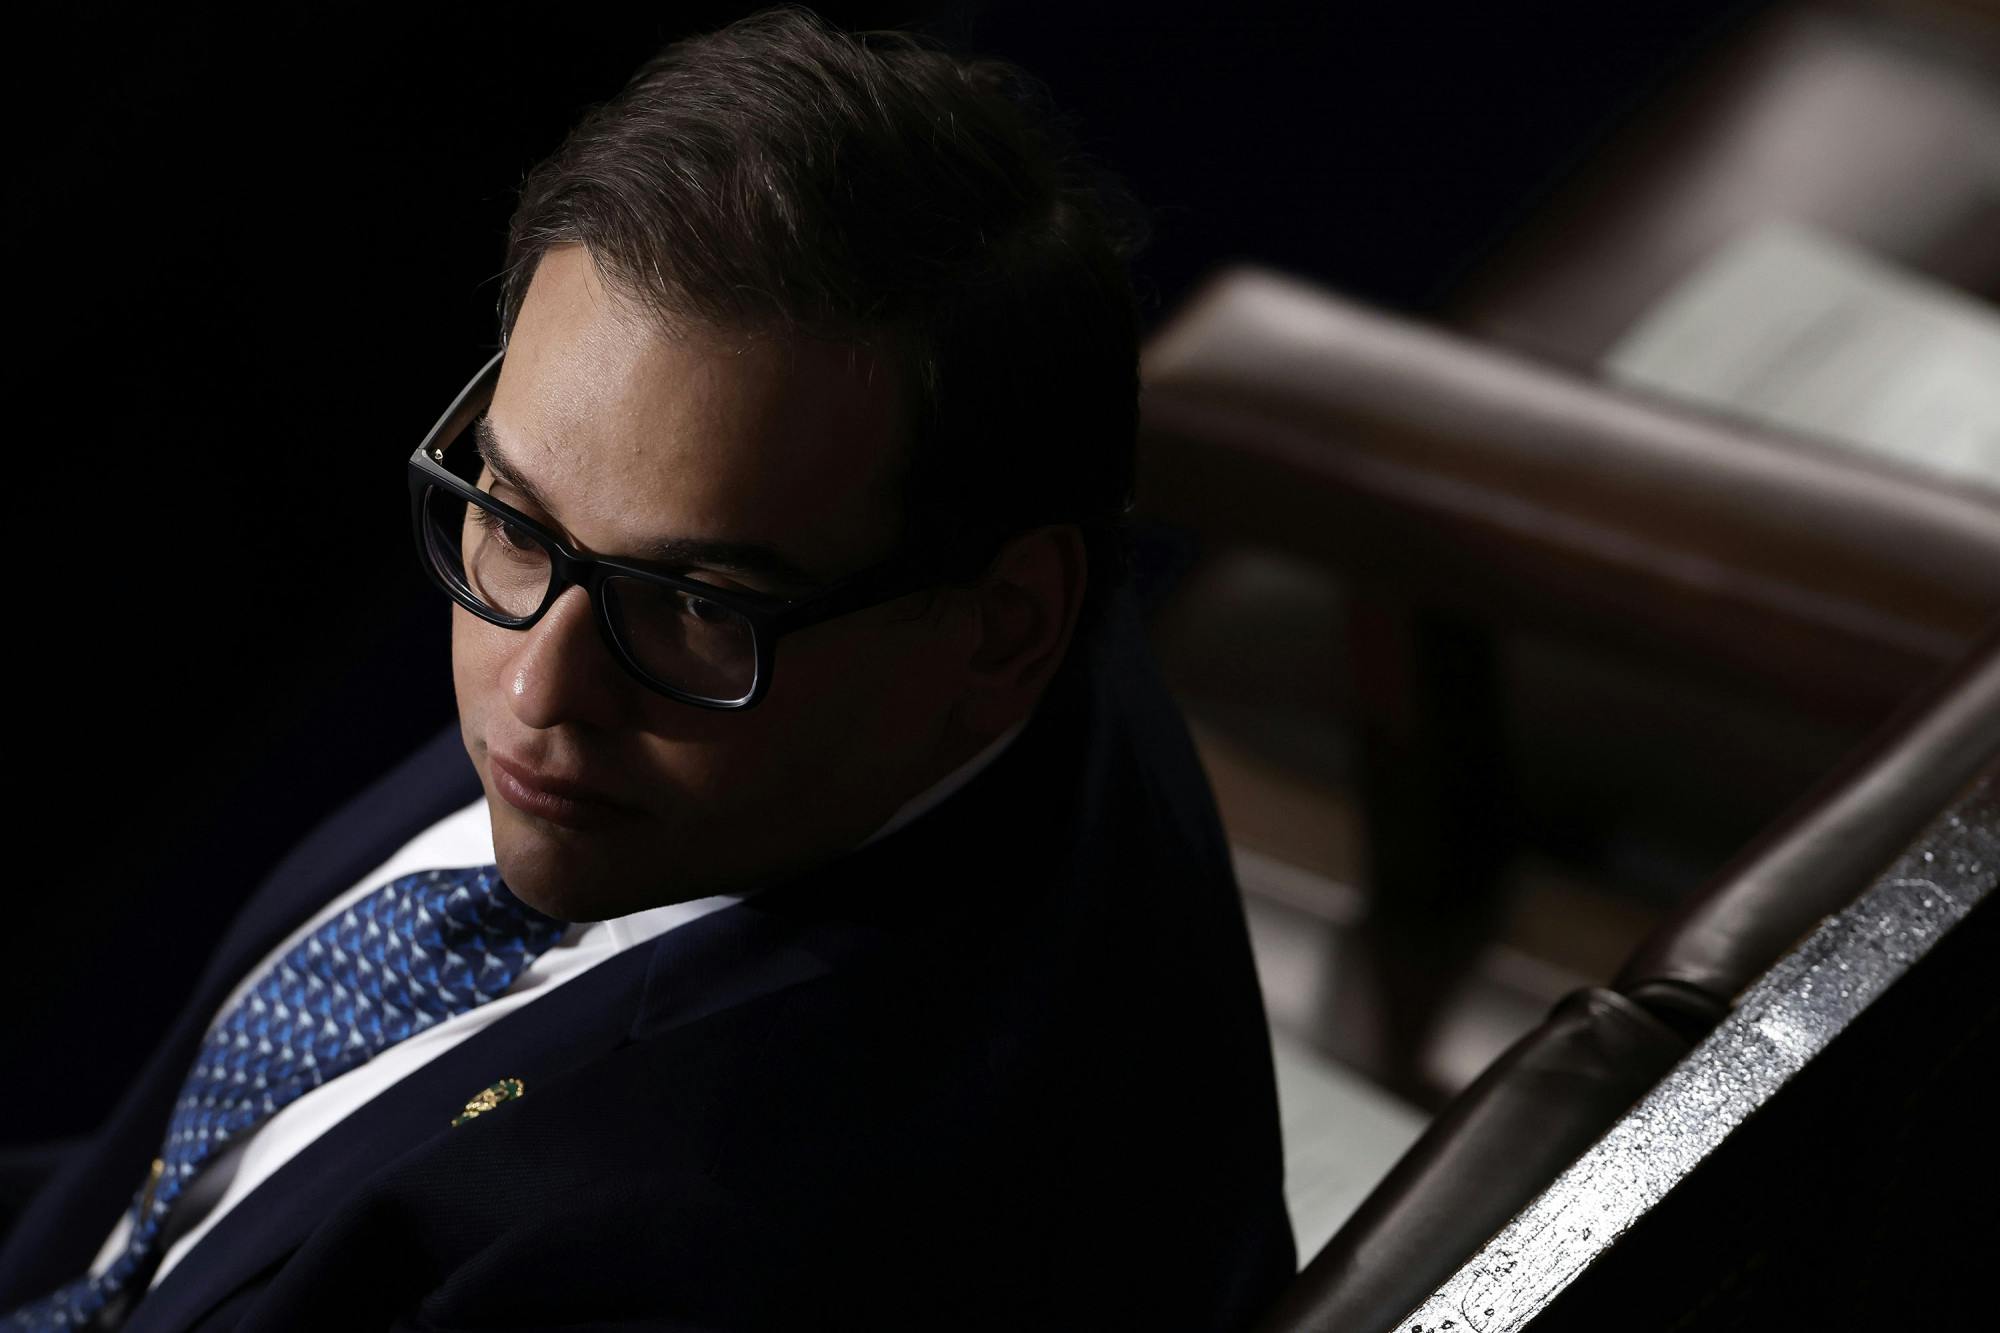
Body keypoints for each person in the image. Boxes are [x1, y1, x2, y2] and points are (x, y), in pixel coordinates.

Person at [0, 7, 1294, 1328]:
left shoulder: (730, 1247)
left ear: (1002, 628)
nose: (533, 693)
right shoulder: (952, 597)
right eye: (509, 515)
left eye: (687, 603)